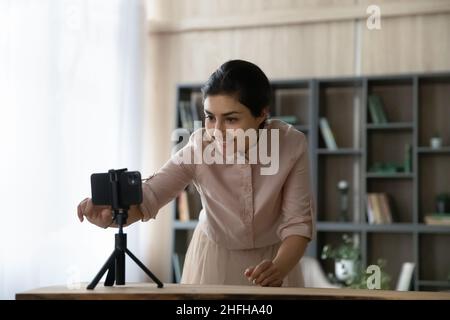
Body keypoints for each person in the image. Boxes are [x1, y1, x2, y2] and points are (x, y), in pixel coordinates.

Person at [77, 60, 315, 287]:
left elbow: (298, 223)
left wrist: (279, 268)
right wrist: (112, 216)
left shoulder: (291, 144)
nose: (217, 131)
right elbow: (148, 198)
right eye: (210, 117)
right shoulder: (198, 147)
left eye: (231, 119)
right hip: (213, 257)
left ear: (262, 113)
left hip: (277, 258)